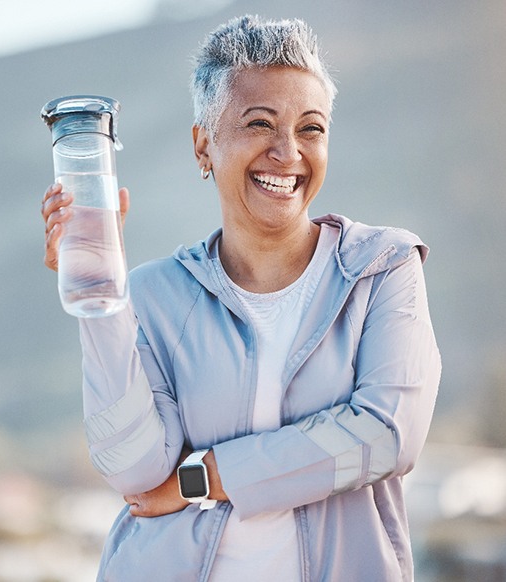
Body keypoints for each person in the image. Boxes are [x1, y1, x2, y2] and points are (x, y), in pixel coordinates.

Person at [41, 15, 440, 582]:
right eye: (260, 123)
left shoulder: (380, 269)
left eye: (311, 128)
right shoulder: (153, 293)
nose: (288, 152)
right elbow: (134, 467)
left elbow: (384, 436)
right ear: (204, 143)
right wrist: (101, 292)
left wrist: (204, 477)